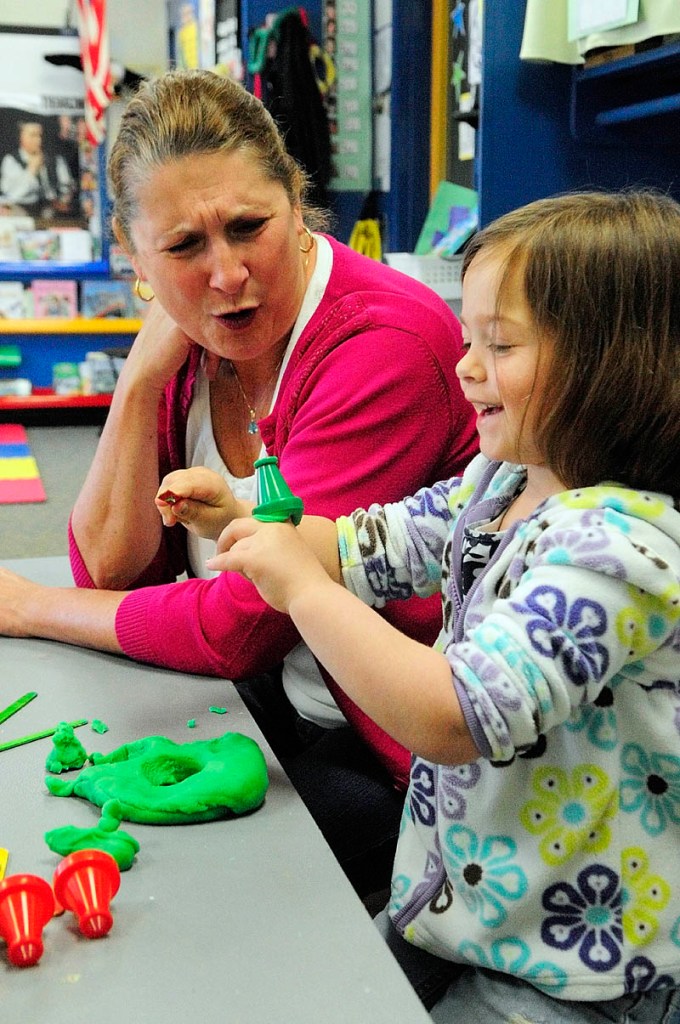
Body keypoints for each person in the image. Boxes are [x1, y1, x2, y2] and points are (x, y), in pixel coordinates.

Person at [0, 68, 478, 899]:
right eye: (183, 248)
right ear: (134, 258)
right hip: (267, 705)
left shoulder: (382, 343)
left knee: (179, 892)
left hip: (401, 760)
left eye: (249, 226)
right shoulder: (194, 336)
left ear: (296, 203)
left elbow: (243, 625)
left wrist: (27, 607)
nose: (226, 276)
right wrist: (144, 375)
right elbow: (112, 572)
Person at [205, 190, 680, 1021]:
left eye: (499, 345)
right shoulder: (500, 483)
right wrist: (247, 521)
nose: (465, 367)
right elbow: (368, 546)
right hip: (464, 908)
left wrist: (303, 590)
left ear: (615, 364)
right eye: (469, 339)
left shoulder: (625, 551)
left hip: (579, 966)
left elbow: (454, 716)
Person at [0, 119, 75, 220]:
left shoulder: (55, 160)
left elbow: (67, 186)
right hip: (21, 210)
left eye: (40, 135)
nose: (38, 140)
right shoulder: (11, 161)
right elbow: (11, 195)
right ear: (21, 137)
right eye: (33, 135)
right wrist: (32, 169)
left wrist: (63, 200)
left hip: (51, 211)